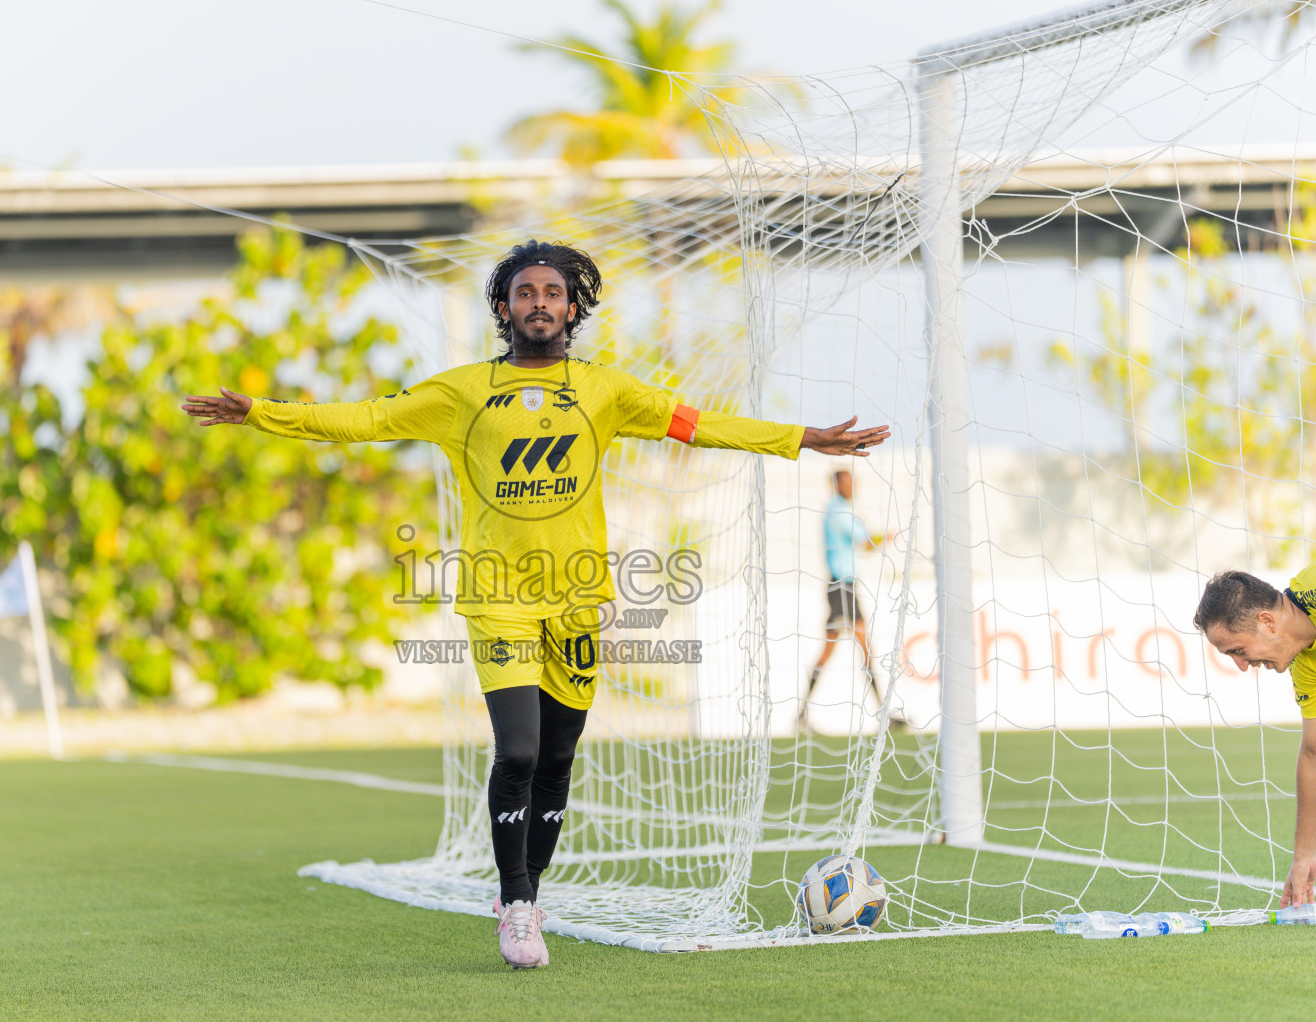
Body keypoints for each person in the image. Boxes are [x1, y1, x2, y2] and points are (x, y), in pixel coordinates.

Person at [183, 239, 889, 969]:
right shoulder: (461, 392)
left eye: (553, 293)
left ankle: (530, 890)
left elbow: (698, 424)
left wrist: (802, 439)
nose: (540, 303)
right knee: (516, 749)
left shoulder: (605, 391)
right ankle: (516, 903)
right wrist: (261, 413)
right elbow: (362, 419)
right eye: (526, 293)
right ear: (503, 308)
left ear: (573, 308)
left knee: (557, 757)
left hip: (580, 602)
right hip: (497, 600)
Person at [1195, 568, 1316, 908]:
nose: (1242, 666)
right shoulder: (1305, 662)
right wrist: (1304, 856)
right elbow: (1312, 752)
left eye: (1237, 650)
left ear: (1266, 621)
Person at [800, 469, 894, 729]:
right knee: (850, 649)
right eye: (845, 482)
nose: (850, 486)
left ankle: (802, 713)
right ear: (834, 485)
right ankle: (882, 714)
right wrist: (885, 537)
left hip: (847, 588)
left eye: (852, 482)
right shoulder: (838, 511)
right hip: (840, 587)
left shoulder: (844, 511)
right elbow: (864, 542)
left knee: (857, 649)